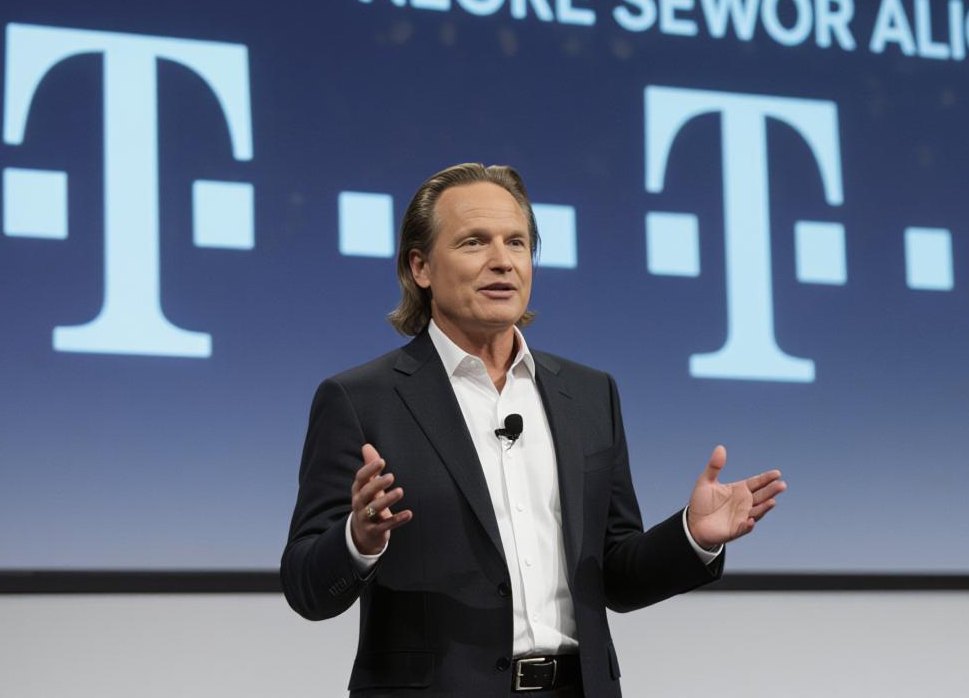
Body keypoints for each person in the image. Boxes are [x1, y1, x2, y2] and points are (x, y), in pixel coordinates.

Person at [281, 163, 786, 697]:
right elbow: (306, 587)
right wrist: (357, 541)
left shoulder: (589, 394)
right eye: (474, 242)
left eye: (517, 243)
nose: (502, 261)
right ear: (420, 267)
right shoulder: (362, 400)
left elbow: (615, 576)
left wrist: (690, 536)